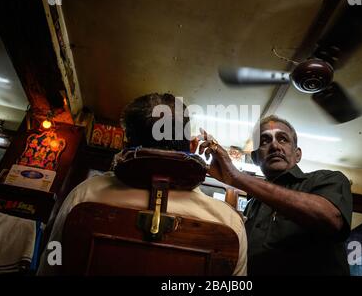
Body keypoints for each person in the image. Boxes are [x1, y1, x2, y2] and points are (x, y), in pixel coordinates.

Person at [37, 93, 247, 275]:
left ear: (125, 145)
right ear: (192, 146)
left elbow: (51, 267)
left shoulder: (84, 195)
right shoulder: (228, 221)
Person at [198, 115, 352, 275]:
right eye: (264, 141)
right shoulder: (252, 205)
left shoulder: (327, 179)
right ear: (256, 158)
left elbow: (330, 218)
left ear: (297, 154)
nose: (274, 146)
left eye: (283, 139)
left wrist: (237, 177)